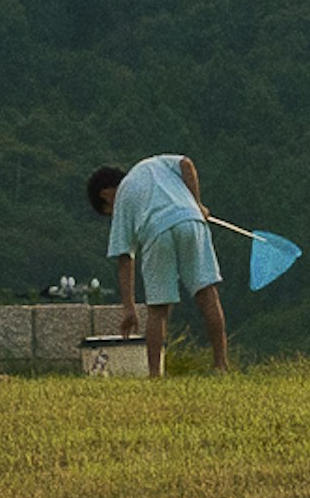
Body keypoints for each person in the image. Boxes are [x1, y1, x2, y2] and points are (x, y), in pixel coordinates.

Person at [86, 154, 235, 376]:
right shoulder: (154, 164)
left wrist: (129, 309)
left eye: (108, 210)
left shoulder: (123, 196)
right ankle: (221, 365)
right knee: (207, 293)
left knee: (158, 309)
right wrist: (197, 204)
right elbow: (186, 164)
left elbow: (125, 259)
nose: (113, 214)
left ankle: (155, 374)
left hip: (156, 232)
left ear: (105, 194)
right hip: (191, 220)